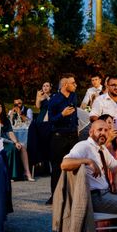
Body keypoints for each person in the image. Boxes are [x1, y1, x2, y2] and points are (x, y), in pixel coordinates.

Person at [46, 74, 79, 204]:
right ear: (66, 85)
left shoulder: (73, 96)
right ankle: (55, 196)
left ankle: (73, 195)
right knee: (57, 167)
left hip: (72, 136)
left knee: (75, 166)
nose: (75, 85)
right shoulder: (54, 100)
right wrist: (62, 114)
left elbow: (75, 115)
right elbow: (50, 120)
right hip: (58, 137)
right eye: (73, 83)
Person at [0, 101, 34, 181]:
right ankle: (8, 175)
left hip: (4, 140)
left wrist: (16, 142)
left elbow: (10, 132)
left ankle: (27, 172)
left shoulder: (5, 119)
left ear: (2, 108)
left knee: (20, 147)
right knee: (11, 148)